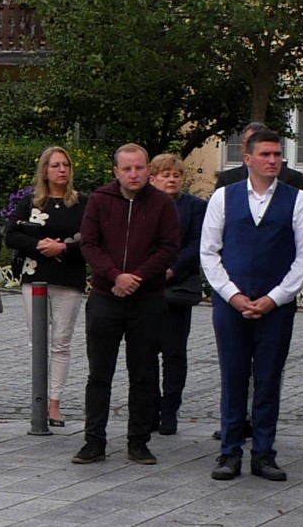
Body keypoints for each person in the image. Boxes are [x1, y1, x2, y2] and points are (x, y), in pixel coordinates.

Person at [200, 125, 303, 483]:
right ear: (247, 158)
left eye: (278, 154)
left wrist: (274, 298)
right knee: (233, 376)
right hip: (230, 304)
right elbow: (209, 252)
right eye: (265, 155)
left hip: (276, 306)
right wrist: (232, 296)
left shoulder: (298, 200)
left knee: (268, 378)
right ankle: (229, 451)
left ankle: (264, 453)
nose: (273, 160)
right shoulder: (223, 197)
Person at [74, 144, 179, 464]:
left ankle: (138, 441)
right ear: (116, 171)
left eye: (139, 168)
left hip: (146, 300)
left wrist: (137, 277)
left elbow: (169, 248)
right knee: (99, 374)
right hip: (106, 298)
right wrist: (115, 276)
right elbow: (89, 244)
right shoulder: (99, 201)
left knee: (144, 373)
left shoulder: (162, 203)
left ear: (149, 169)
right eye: (127, 169)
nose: (134, 174)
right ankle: (94, 441)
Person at [20, 146, 88, 426]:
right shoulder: (32, 202)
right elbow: (11, 234)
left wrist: (62, 247)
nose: (62, 170)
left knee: (61, 343)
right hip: (35, 277)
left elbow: (92, 239)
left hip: (68, 279)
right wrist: (39, 244)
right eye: (55, 165)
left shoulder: (82, 203)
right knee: (38, 341)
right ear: (45, 171)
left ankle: (55, 403)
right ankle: (38, 397)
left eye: (66, 165)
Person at [148, 153, 209, 435]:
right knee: (145, 353)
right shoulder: (143, 205)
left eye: (176, 175)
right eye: (165, 175)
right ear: (152, 178)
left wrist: (171, 270)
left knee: (174, 353)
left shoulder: (195, 207)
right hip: (145, 289)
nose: (172, 179)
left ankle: (170, 408)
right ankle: (148, 409)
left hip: (177, 288)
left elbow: (199, 243)